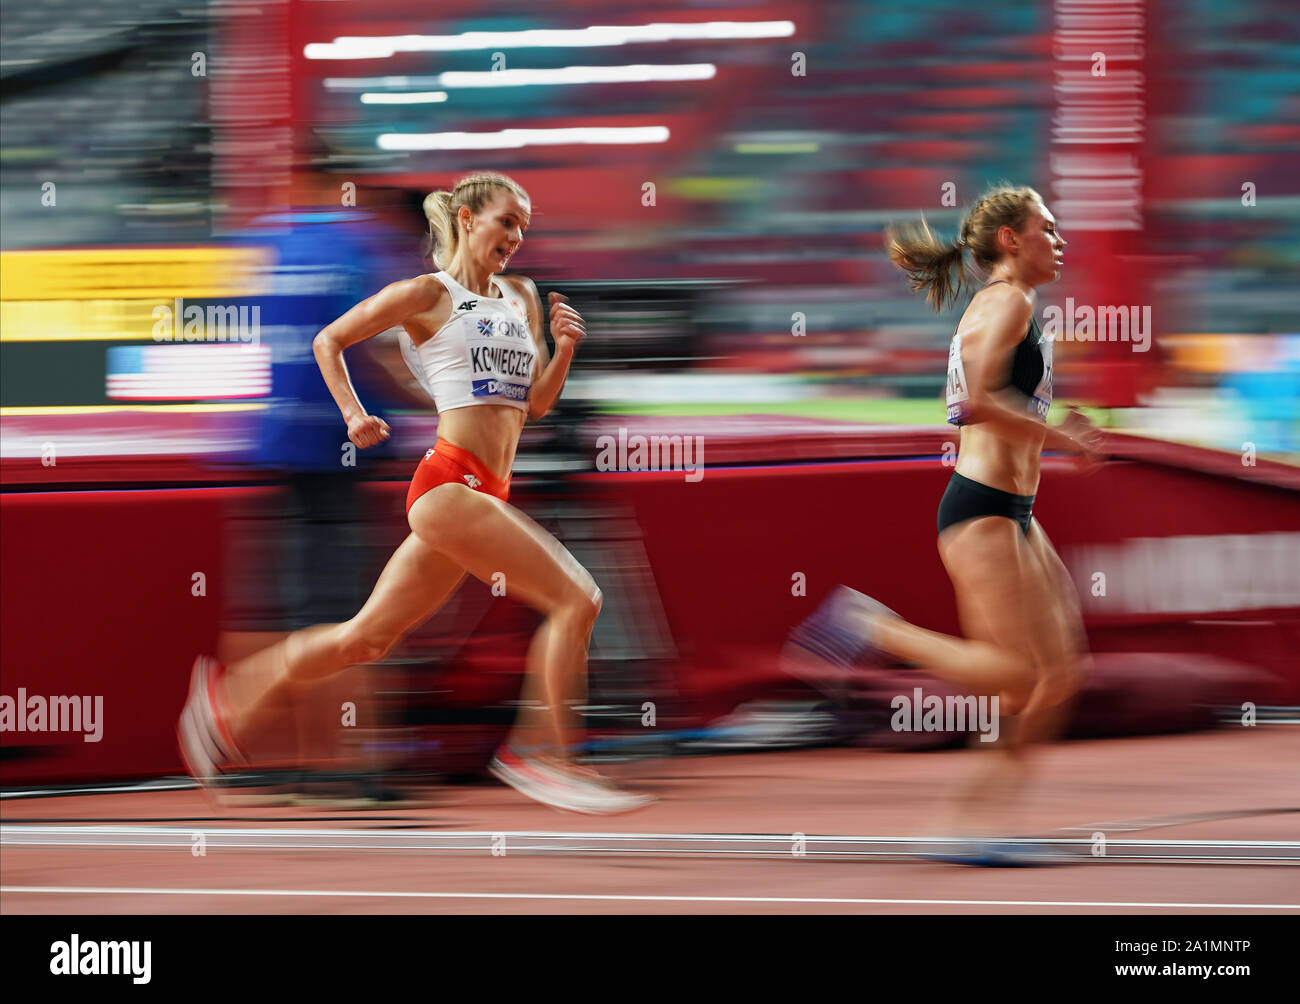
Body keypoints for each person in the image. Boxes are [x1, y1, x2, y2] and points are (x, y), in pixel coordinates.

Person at [179, 172, 652, 814]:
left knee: (365, 640)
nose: (516, 237)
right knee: (578, 600)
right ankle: (542, 754)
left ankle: (224, 705)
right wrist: (352, 414)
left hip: (488, 492)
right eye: (505, 221)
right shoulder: (427, 294)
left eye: (523, 226)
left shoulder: (523, 296)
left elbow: (533, 406)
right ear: (466, 220)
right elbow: (330, 340)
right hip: (448, 487)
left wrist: (564, 350)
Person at [785, 185, 1103, 861]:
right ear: (1011, 240)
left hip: (1011, 511)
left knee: (1059, 676)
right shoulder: (1009, 300)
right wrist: (1061, 437)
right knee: (1017, 679)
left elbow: (957, 398)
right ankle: (867, 625)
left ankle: (977, 827)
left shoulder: (1005, 307)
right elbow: (972, 404)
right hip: (982, 512)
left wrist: (1050, 408)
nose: (1061, 240)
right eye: (1047, 228)